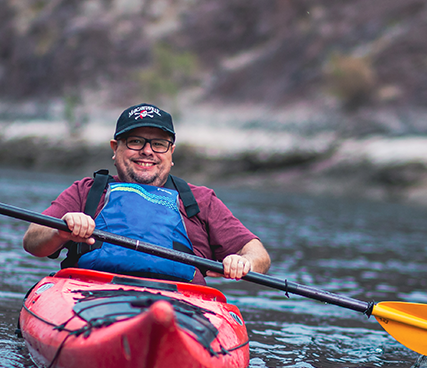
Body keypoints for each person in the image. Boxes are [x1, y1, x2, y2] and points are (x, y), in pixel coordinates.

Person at [23, 103, 270, 284]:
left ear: (171, 152)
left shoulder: (200, 201)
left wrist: (244, 262)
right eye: (135, 142)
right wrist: (60, 230)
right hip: (88, 296)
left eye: (159, 144)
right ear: (115, 148)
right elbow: (33, 241)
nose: (148, 151)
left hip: (182, 307)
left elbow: (258, 254)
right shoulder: (87, 191)